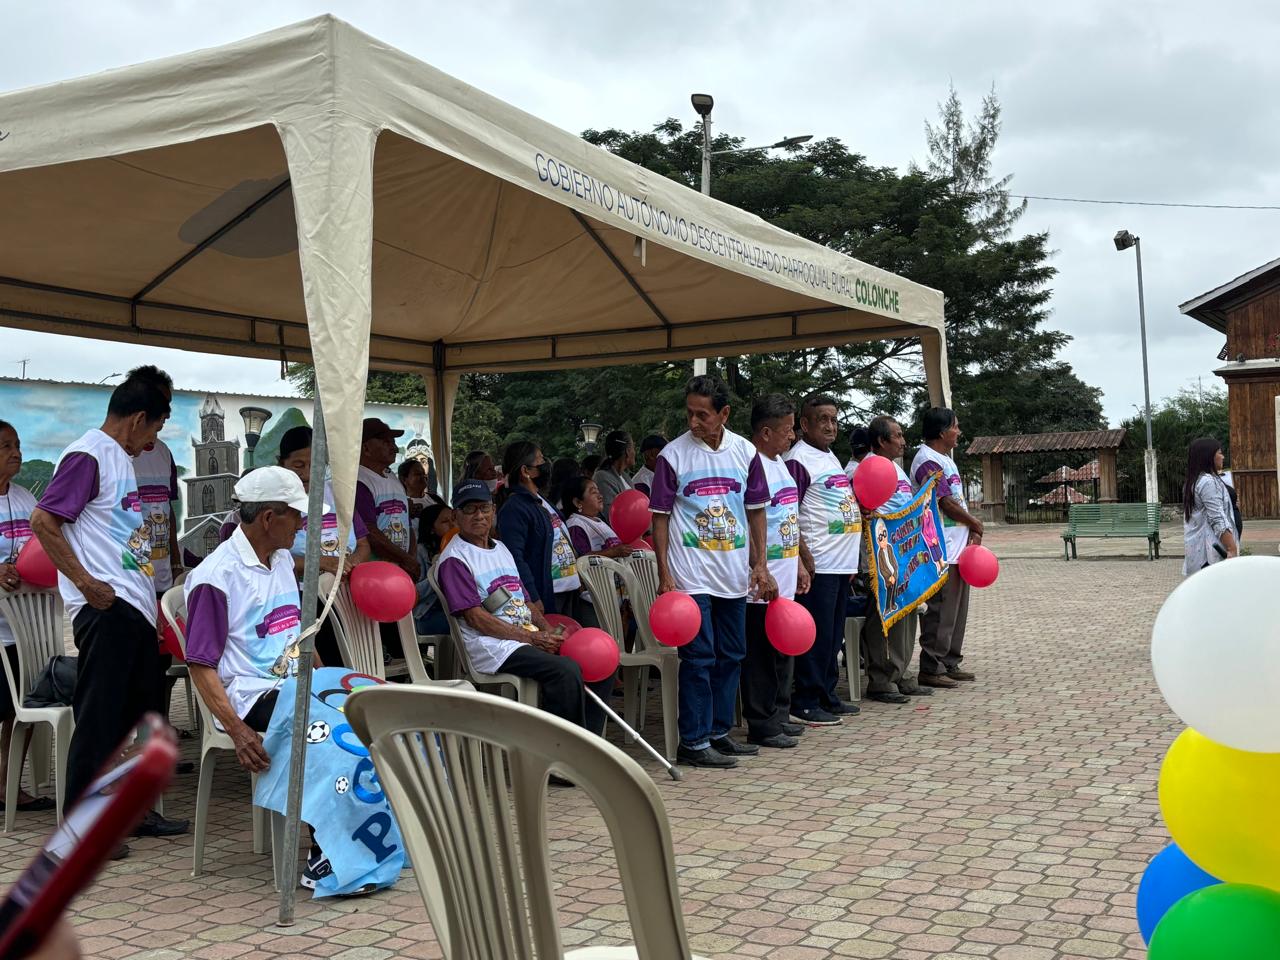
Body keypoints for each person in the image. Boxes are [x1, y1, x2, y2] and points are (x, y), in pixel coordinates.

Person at [30, 377, 188, 849]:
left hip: (133, 606)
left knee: (137, 716)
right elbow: (44, 521)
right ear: (139, 419)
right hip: (105, 608)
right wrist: (85, 582)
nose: (153, 440)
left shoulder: (121, 458)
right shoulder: (89, 455)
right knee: (101, 718)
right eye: (154, 429)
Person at [182, 466, 337, 890]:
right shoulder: (216, 577)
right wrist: (237, 731)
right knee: (323, 727)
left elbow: (297, 635)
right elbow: (200, 665)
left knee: (361, 707)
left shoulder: (281, 559)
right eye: (296, 515)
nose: (302, 524)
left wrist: (328, 679)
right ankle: (324, 854)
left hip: (292, 684)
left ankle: (360, 835)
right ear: (269, 518)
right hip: (251, 694)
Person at [650, 375, 773, 768]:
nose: (693, 422)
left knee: (731, 655)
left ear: (724, 414)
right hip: (691, 576)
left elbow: (756, 511)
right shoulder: (673, 456)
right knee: (699, 658)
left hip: (732, 575)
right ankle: (694, 740)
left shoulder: (745, 452)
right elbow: (660, 517)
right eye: (689, 413)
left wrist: (760, 563)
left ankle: (719, 732)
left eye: (702, 414)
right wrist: (664, 572)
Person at [436, 479, 611, 731]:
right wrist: (532, 638)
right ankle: (560, 747)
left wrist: (546, 630)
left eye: (484, 508)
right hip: (493, 646)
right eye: (469, 509)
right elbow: (476, 618)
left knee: (599, 659)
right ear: (456, 516)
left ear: (493, 510)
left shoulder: (501, 548)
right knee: (564, 670)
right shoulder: (455, 559)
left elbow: (525, 600)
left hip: (524, 637)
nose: (479, 515)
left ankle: (589, 740)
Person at [785, 394, 863, 726]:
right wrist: (802, 558)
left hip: (840, 564)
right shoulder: (798, 460)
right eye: (823, 420)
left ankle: (827, 694)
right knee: (815, 636)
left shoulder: (829, 456)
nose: (830, 426)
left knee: (832, 635)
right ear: (804, 425)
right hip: (819, 564)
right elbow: (788, 511)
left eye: (834, 419)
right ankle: (805, 700)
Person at [740, 396, 810, 749]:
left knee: (783, 649)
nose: (792, 436)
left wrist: (798, 563)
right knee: (761, 656)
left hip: (785, 570)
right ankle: (761, 722)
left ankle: (780, 713)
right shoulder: (753, 467)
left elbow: (789, 518)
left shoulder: (780, 463)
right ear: (765, 432)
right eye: (787, 430)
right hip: (760, 581)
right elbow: (750, 525)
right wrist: (761, 569)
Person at [277, 425, 371, 667]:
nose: (308, 474)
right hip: (302, 599)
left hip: (347, 595)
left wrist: (350, 565)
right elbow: (271, 558)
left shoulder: (339, 496)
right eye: (298, 465)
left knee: (360, 657)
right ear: (282, 463)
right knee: (328, 663)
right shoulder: (277, 504)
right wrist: (320, 562)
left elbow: (363, 544)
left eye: (316, 465)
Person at [0, 421, 53, 812]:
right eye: (5, 446)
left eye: (17, 445)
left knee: (25, 707)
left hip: (26, 629)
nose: (16, 452)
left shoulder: (25, 499)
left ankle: (7, 783)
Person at [860, 416, 932, 704]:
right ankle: (881, 678)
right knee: (885, 616)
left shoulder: (896, 470)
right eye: (898, 435)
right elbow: (869, 509)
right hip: (883, 556)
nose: (903, 441)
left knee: (906, 616)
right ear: (881, 441)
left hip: (905, 553)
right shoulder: (871, 468)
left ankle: (899, 672)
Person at [910, 407, 983, 688]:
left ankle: (950, 660)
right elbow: (945, 502)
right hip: (939, 548)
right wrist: (975, 523)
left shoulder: (946, 460)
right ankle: (931, 666)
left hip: (958, 548)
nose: (959, 432)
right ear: (942, 432)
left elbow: (957, 500)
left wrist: (971, 530)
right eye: (955, 426)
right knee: (941, 609)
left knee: (957, 611)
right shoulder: (926, 460)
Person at [496, 441, 581, 618]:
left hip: (568, 588)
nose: (546, 465)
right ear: (525, 471)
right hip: (548, 593)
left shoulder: (540, 500)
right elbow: (515, 557)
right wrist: (533, 597)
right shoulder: (514, 508)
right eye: (540, 460)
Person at [562, 475, 634, 627]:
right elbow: (581, 560)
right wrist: (613, 552)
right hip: (595, 601)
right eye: (593, 492)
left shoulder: (600, 521)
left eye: (598, 491)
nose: (600, 495)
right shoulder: (576, 524)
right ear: (577, 502)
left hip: (614, 596)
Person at [355, 418, 417, 579]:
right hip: (376, 573)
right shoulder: (359, 481)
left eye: (393, 442)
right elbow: (369, 531)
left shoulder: (392, 477)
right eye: (386, 442)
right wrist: (406, 559)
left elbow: (407, 523)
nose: (395, 448)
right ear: (366, 448)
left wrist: (411, 559)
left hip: (401, 567)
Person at [1183, 437, 1238, 575]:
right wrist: (1231, 548)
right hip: (1211, 554)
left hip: (1199, 552)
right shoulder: (1207, 482)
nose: (1223, 457)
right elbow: (1217, 518)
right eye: (1219, 453)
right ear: (1209, 456)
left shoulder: (1194, 481)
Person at [412, 502, 455, 635]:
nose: (452, 525)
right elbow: (414, 594)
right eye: (445, 522)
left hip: (455, 611)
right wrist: (438, 571)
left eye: (454, 519)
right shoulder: (421, 551)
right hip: (428, 614)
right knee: (465, 626)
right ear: (431, 529)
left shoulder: (462, 549)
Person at [593, 430, 634, 522]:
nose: (634, 452)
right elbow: (611, 515)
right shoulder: (602, 477)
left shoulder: (625, 477)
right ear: (628, 451)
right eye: (633, 448)